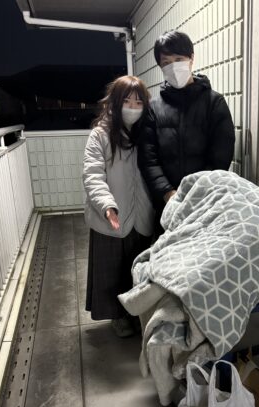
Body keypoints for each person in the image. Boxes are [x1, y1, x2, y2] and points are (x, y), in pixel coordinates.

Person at [138, 30, 235, 232]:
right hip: (167, 205)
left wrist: (197, 195)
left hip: (206, 203)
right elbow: (148, 159)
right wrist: (169, 194)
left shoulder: (214, 103)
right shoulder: (154, 108)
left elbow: (221, 156)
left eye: (178, 59)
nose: (173, 67)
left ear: (191, 58)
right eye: (166, 63)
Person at [83, 76, 154, 337]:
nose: (133, 107)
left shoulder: (147, 133)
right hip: (111, 216)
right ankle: (118, 317)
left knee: (137, 268)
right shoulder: (100, 135)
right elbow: (93, 175)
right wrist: (107, 205)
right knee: (111, 270)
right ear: (115, 102)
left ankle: (137, 314)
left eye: (138, 102)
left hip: (142, 215)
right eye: (127, 101)